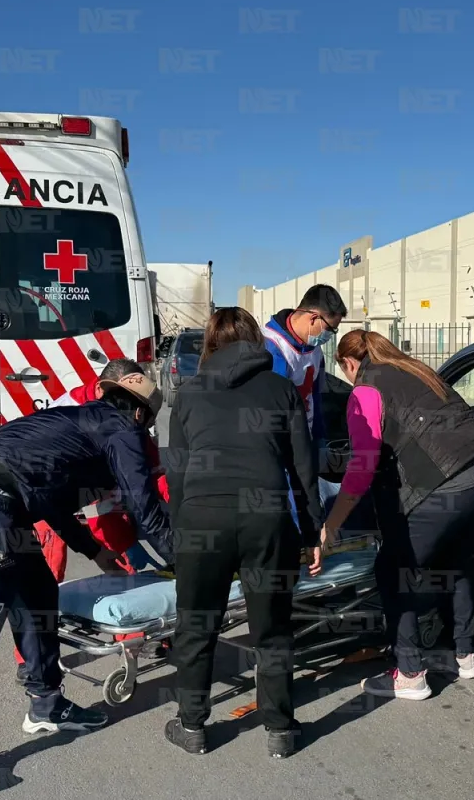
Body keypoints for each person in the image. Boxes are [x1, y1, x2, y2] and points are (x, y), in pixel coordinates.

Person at [0, 375, 175, 797]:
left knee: (39, 596)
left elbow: (50, 499)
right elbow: (145, 508)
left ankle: (46, 701)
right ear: (141, 414)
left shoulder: (79, 421)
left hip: (1, 503)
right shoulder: (123, 431)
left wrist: (91, 550)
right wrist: (185, 561)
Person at [164, 307, 324, 759]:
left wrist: (181, 530)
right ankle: (280, 730)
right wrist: (312, 532)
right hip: (266, 518)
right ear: (255, 341)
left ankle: (192, 725)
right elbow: (303, 470)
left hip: (203, 518)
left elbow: (176, 472)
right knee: (272, 628)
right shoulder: (280, 389)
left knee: (196, 626)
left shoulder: (191, 392)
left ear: (210, 345)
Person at [321, 329, 474, 700]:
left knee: (393, 570)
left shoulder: (366, 387)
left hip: (449, 481)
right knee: (459, 561)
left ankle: (409, 673)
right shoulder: (417, 369)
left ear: (348, 363)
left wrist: (332, 524)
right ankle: (464, 655)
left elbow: (363, 464)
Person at [13, 363, 172, 681]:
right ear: (102, 388)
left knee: (125, 571)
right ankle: (30, 658)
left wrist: (175, 522)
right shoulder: (68, 410)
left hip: (99, 498)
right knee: (44, 576)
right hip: (49, 499)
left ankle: (135, 640)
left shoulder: (128, 411)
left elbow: (152, 471)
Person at [262, 284, 347, 520]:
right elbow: (274, 410)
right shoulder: (272, 346)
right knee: (292, 515)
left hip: (305, 442)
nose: (329, 337)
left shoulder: (314, 350)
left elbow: (316, 398)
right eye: (330, 329)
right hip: (280, 448)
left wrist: (319, 439)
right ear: (313, 318)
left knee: (310, 508)